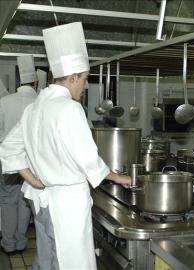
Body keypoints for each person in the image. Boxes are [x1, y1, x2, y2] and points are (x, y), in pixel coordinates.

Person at [0, 22, 131, 270]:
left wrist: (32, 179)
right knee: (71, 263)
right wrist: (116, 177)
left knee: (48, 259)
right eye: (84, 79)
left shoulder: (34, 108)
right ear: (72, 77)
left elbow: (7, 148)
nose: (85, 85)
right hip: (66, 206)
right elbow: (87, 158)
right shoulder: (70, 108)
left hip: (42, 201)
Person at [0, 55, 38, 255]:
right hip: (32, 164)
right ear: (36, 82)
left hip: (9, 162)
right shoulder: (41, 102)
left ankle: (8, 243)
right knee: (25, 200)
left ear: (19, 81)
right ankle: (21, 241)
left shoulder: (5, 102)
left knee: (7, 200)